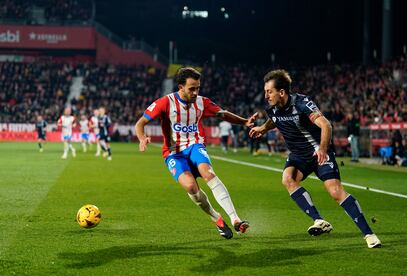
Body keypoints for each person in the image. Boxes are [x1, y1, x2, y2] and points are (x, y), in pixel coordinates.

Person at [249, 69, 381, 248]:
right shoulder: (272, 108)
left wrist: (323, 149)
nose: (266, 96)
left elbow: (325, 124)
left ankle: (369, 234)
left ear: (282, 92)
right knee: (288, 179)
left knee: (335, 192)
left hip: (317, 152)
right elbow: (274, 118)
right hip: (298, 156)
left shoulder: (303, 103)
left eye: (269, 91)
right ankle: (319, 220)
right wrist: (263, 128)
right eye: (265, 92)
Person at [135, 67, 256, 239]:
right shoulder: (164, 102)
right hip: (173, 153)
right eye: (191, 88)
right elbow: (140, 123)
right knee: (191, 187)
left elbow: (222, 114)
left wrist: (244, 122)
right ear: (180, 87)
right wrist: (142, 138)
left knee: (208, 173)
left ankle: (235, 219)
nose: (195, 92)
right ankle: (217, 218)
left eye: (198, 88)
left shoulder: (202, 102)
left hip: (195, 145)